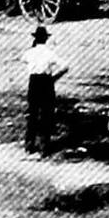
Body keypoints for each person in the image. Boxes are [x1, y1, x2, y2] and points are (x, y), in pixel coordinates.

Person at [23, 26, 68, 158]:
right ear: (46, 39)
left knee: (32, 114)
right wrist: (54, 78)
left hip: (34, 82)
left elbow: (23, 59)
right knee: (46, 114)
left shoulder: (29, 53)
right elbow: (65, 66)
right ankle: (44, 147)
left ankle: (29, 146)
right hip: (46, 82)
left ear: (35, 38)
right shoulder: (49, 53)